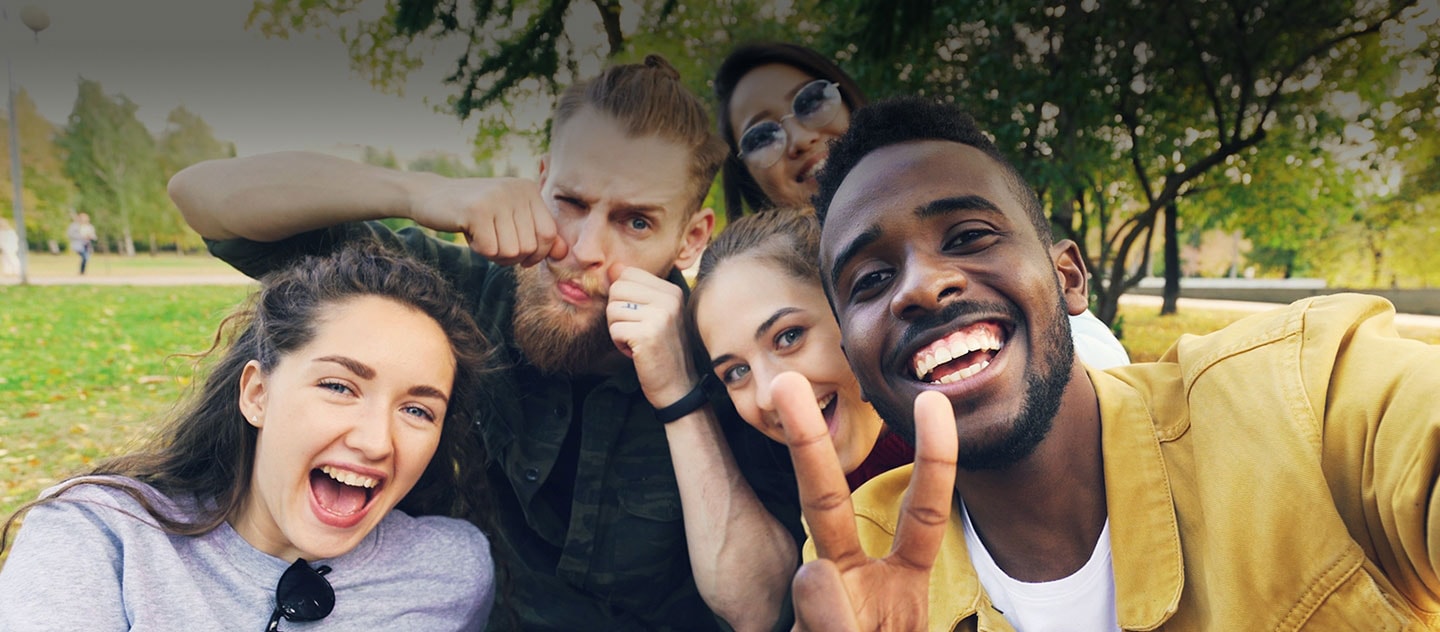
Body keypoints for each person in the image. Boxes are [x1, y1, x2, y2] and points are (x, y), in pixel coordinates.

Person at [169, 55, 798, 631]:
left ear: (690, 239)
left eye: (636, 222)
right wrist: (420, 194)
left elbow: (760, 607)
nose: (584, 251)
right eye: (571, 203)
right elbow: (205, 200)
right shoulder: (461, 293)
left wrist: (679, 398)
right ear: (542, 180)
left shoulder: (730, 353)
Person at [771, 96, 1440, 630]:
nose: (920, 286)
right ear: (854, 363)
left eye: (969, 235)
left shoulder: (1303, 393)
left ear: (1068, 277)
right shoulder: (857, 552)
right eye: (870, 280)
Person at [0, 243, 497, 630]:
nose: (375, 442)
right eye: (339, 386)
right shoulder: (99, 537)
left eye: (416, 409)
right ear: (258, 393)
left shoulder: (450, 571)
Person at [713, 42, 1130, 369]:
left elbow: (1092, 362)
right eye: (761, 136)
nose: (800, 138)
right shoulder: (745, 301)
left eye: (809, 102)